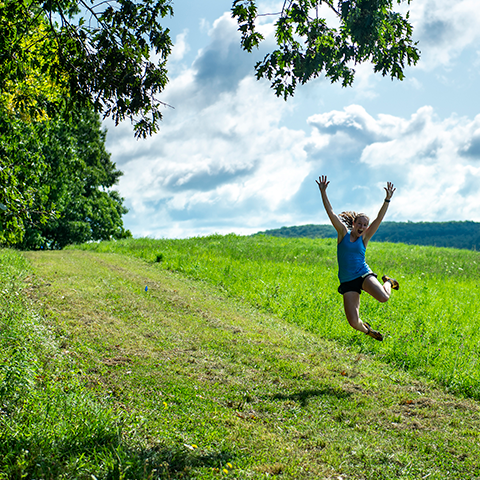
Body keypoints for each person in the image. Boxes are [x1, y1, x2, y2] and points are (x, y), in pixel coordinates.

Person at [316, 175, 399, 341]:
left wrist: (387, 200)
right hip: (347, 281)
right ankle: (369, 331)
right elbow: (331, 213)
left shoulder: (364, 239)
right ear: (353, 224)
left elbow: (379, 219)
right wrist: (323, 192)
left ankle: (389, 282)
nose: (362, 227)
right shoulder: (342, 234)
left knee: (384, 297)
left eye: (364, 225)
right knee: (353, 322)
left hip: (363, 275)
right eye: (359, 223)